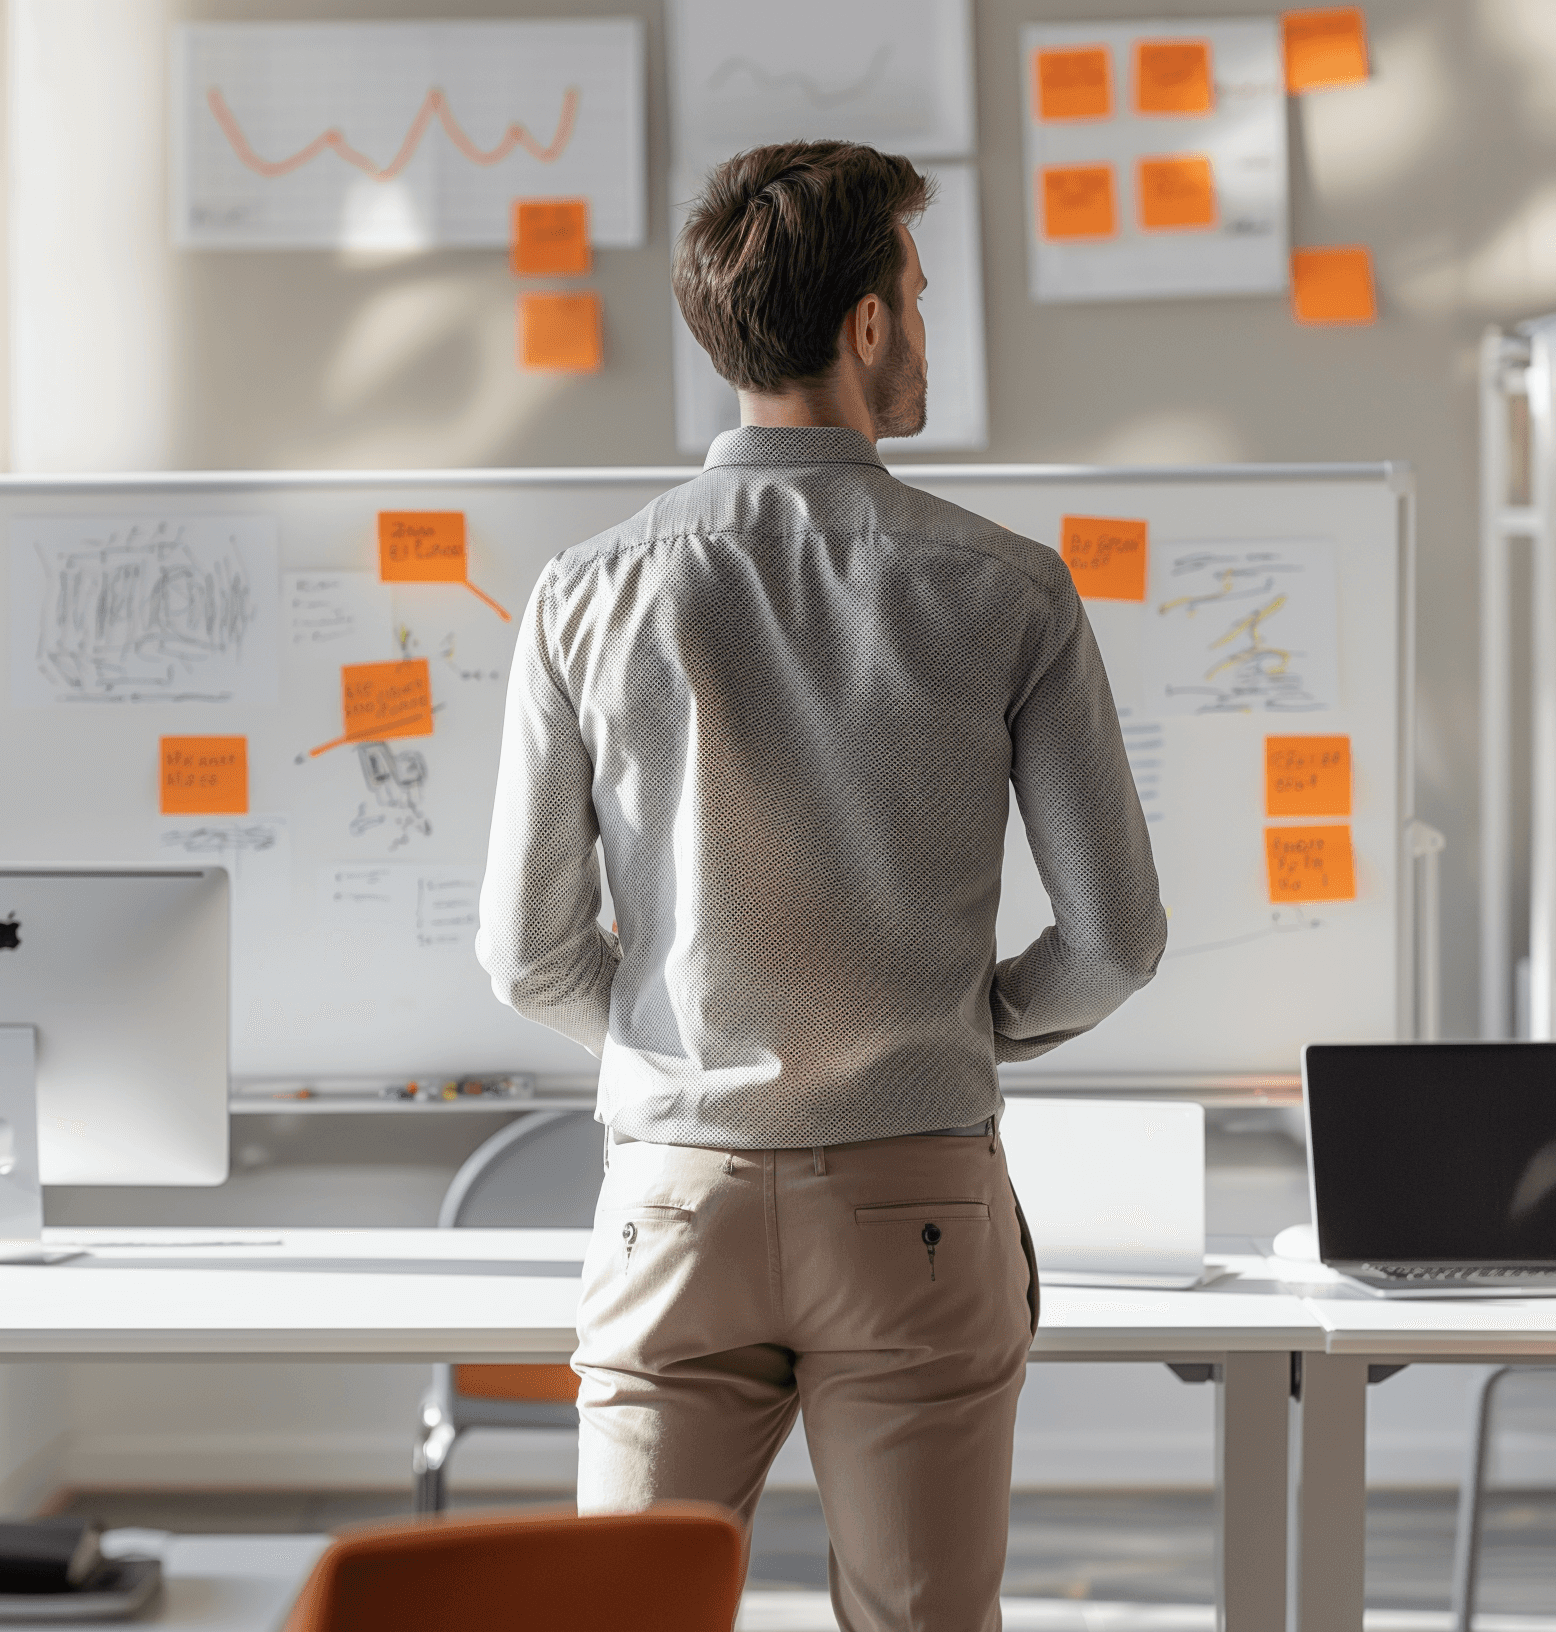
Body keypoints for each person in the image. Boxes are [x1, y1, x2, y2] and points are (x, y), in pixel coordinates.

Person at [475, 140, 1164, 1632]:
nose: (921, 328)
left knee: (630, 1621)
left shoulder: (587, 592)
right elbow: (1116, 941)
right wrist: (967, 1024)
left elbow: (527, 956)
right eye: (914, 294)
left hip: (672, 1201)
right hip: (914, 1201)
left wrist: (675, 1037)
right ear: (866, 327)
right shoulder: (1009, 588)